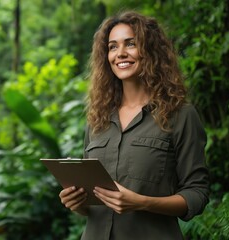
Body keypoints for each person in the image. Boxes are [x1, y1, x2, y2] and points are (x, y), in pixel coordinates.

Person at [58, 11, 209, 240]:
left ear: (150, 51)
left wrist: (142, 203)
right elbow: (91, 204)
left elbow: (197, 194)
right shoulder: (97, 119)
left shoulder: (181, 115)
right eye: (112, 47)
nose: (120, 54)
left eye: (131, 44)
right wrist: (76, 203)